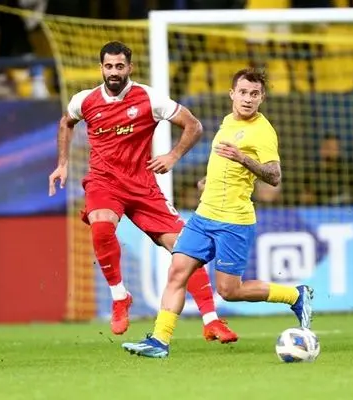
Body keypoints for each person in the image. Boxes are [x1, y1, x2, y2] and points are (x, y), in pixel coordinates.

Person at [48, 41, 238, 342]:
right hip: (104, 182)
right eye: (108, 66)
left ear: (130, 67)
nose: (114, 71)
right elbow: (66, 122)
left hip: (143, 187)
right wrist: (62, 163)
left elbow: (193, 125)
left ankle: (211, 321)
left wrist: (173, 156)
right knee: (101, 226)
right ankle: (119, 296)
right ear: (101, 68)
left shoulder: (149, 98)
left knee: (187, 249)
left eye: (119, 66)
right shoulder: (84, 101)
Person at [122, 68, 314, 358]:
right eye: (243, 92)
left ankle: (295, 295)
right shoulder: (227, 122)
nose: (248, 99)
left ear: (262, 98)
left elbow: (274, 176)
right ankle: (159, 341)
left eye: (254, 94)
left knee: (229, 291)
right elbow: (223, 164)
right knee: (177, 271)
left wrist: (243, 158)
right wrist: (208, 182)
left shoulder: (263, 131)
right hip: (203, 216)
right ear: (232, 94)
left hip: (234, 221)